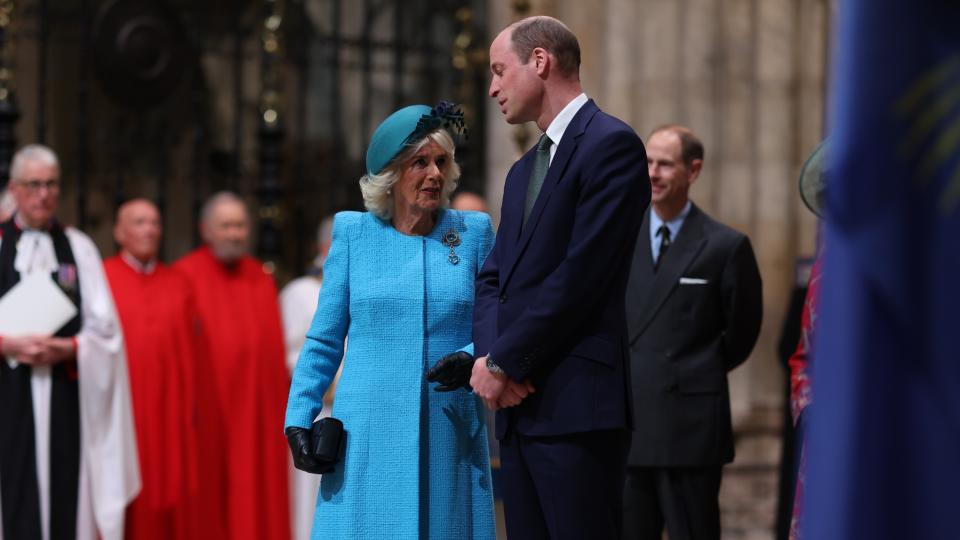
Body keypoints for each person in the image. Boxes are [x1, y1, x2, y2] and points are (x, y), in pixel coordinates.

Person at [284, 102, 496, 539]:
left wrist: (473, 357)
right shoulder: (354, 234)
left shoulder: (472, 233)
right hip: (366, 428)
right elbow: (324, 341)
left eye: (442, 161)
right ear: (391, 174)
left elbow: (499, 321)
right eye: (419, 162)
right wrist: (298, 419)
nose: (434, 173)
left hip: (449, 425)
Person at [472, 16, 649, 539]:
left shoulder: (611, 145)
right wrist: (489, 362)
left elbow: (581, 277)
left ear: (541, 61)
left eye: (500, 71)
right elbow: (493, 280)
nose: (492, 88)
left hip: (577, 406)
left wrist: (506, 361)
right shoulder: (522, 171)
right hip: (519, 407)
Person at [622, 125, 763, 540]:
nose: (652, 173)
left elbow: (741, 333)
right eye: (647, 162)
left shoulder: (725, 246)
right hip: (629, 424)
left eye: (664, 164)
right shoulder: (620, 236)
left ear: (693, 171)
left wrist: (692, 371)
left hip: (690, 428)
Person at [0, 144, 140, 540]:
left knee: (64, 497)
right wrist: (6, 345)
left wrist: (69, 348)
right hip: (8, 392)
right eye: (33, 185)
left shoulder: (79, 248)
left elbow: (107, 332)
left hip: (65, 390)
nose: (43, 194)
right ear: (14, 188)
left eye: (51, 185)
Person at [103, 199, 225, 540]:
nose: (149, 230)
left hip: (170, 414)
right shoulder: (103, 277)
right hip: (123, 411)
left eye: (154, 222)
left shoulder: (178, 283)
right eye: (139, 222)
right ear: (119, 232)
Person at [174, 192, 290, 540]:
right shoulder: (184, 277)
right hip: (207, 416)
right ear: (205, 229)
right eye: (225, 226)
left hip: (254, 416)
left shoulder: (261, 279)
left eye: (239, 225)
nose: (234, 234)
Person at [278, 215, 336, 540]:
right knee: (311, 498)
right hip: (316, 412)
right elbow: (284, 352)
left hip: (355, 409)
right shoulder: (300, 292)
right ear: (324, 246)